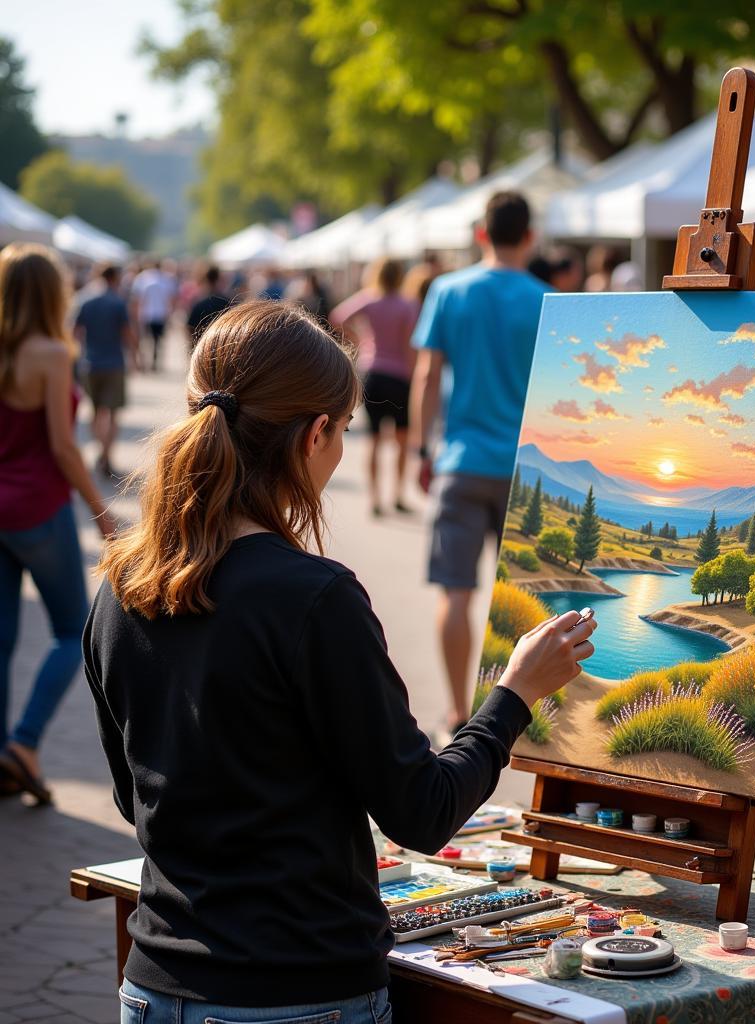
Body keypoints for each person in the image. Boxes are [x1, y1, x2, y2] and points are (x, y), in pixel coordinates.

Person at [85, 300, 596, 1020]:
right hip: (298, 991)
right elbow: (422, 812)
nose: (342, 448)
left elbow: (133, 798)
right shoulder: (313, 598)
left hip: (154, 985)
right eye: (346, 430)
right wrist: (514, 694)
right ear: (315, 432)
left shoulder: (121, 584)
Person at [410, 191, 547, 732]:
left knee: (456, 593)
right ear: (530, 237)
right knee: (526, 600)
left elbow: (425, 376)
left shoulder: (448, 290)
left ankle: (458, 711)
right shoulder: (546, 298)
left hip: (461, 459)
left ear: (481, 233)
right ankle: (524, 711)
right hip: (526, 468)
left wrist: (423, 450)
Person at [0, 244, 114, 804]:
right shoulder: (50, 352)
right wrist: (102, 510)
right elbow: (65, 448)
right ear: (51, 293)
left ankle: (5, 753)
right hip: (38, 509)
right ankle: (23, 744)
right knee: (75, 629)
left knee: (0, 642)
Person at [330, 260, 418, 516]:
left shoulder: (369, 299)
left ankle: (375, 497)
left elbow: (338, 316)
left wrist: (359, 341)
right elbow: (410, 344)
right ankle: (398, 494)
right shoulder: (407, 305)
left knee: (375, 439)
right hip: (400, 375)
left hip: (374, 373)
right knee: (402, 440)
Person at [75, 264, 137, 479]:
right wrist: (136, 358)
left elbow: (74, 332)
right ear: (115, 277)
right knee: (112, 414)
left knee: (94, 412)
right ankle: (106, 454)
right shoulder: (118, 302)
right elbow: (128, 334)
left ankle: (101, 451)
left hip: (90, 363)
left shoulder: (85, 300)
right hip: (114, 363)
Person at [131, 259, 177, 371]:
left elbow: (137, 299)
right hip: (161, 314)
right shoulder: (167, 279)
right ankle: (155, 362)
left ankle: (145, 362)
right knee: (157, 340)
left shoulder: (141, 278)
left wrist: (135, 314)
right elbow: (171, 299)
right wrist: (170, 314)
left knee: (146, 340)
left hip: (146, 314)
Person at [186, 264, 231, 352]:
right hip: (223, 348)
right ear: (218, 278)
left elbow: (190, 328)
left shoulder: (198, 302)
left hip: (202, 349)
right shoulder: (227, 302)